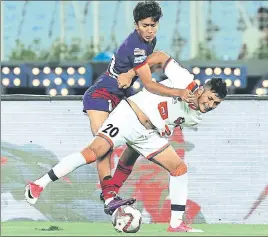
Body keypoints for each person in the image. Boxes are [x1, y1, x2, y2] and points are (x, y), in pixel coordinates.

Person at [25, 53, 227, 232]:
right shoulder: (185, 80)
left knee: (179, 169)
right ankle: (38, 184)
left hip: (147, 134)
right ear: (202, 90)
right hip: (128, 116)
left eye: (216, 104)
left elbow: (170, 118)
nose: (210, 105)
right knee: (94, 152)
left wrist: (164, 127)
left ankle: (176, 224)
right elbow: (159, 56)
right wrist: (132, 73)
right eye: (210, 98)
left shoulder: (196, 117)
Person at [81, 0, 194, 210]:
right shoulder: (136, 46)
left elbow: (147, 64)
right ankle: (108, 196)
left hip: (122, 97)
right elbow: (150, 85)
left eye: (153, 25)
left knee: (133, 146)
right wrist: (179, 92)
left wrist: (131, 73)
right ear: (136, 25)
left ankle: (112, 190)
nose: (149, 30)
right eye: (145, 25)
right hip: (101, 94)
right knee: (103, 147)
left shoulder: (148, 42)